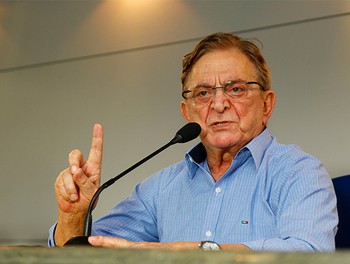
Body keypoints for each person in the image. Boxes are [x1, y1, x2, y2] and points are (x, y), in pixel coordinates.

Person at [49, 32, 338, 251]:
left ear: (267, 105)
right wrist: (75, 214)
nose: (219, 104)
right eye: (203, 93)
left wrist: (199, 252)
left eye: (236, 89)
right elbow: (84, 252)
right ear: (187, 113)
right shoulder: (159, 190)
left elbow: (310, 252)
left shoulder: (299, 172)